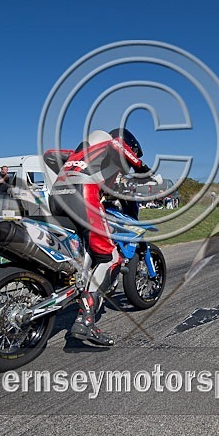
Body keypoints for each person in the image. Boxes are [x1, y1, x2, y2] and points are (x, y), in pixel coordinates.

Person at [49, 128, 161, 345]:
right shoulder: (113, 145)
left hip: (56, 197)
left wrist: (68, 172)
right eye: (133, 156)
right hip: (82, 194)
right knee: (110, 257)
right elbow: (117, 145)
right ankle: (86, 321)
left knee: (80, 249)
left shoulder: (83, 152)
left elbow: (50, 155)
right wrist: (144, 170)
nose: (129, 163)